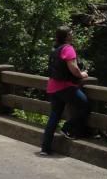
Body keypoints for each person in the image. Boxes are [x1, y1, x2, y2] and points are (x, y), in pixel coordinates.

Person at [38, 26, 90, 156]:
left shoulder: (55, 49)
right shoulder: (68, 48)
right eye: (71, 33)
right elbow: (73, 68)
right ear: (66, 36)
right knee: (84, 105)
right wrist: (82, 75)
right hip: (65, 87)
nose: (72, 34)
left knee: (54, 116)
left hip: (52, 86)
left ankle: (45, 148)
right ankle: (67, 128)